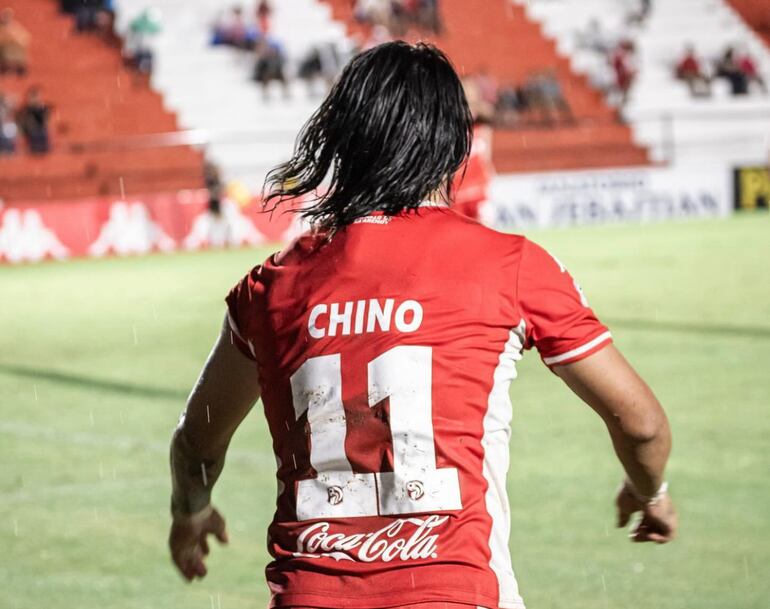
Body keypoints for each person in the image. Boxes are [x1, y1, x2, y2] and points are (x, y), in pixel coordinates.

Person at [168, 41, 677, 609]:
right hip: (457, 592)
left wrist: (190, 510)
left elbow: (197, 442)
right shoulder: (512, 267)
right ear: (453, 145)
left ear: (342, 140)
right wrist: (648, 490)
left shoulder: (269, 287)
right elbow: (641, 424)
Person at [16, 87, 51, 154]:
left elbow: (45, 121)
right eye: (31, 98)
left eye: (35, 97)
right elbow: (19, 121)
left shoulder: (43, 108)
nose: (32, 100)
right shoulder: (24, 110)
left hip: (41, 134)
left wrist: (36, 109)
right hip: (29, 134)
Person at [0, 8, 30, 75]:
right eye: (5, 16)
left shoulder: (14, 26)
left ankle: (18, 68)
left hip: (14, 47)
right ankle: (7, 69)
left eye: (8, 16)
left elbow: (24, 37)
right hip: (4, 49)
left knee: (17, 50)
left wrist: (15, 39)